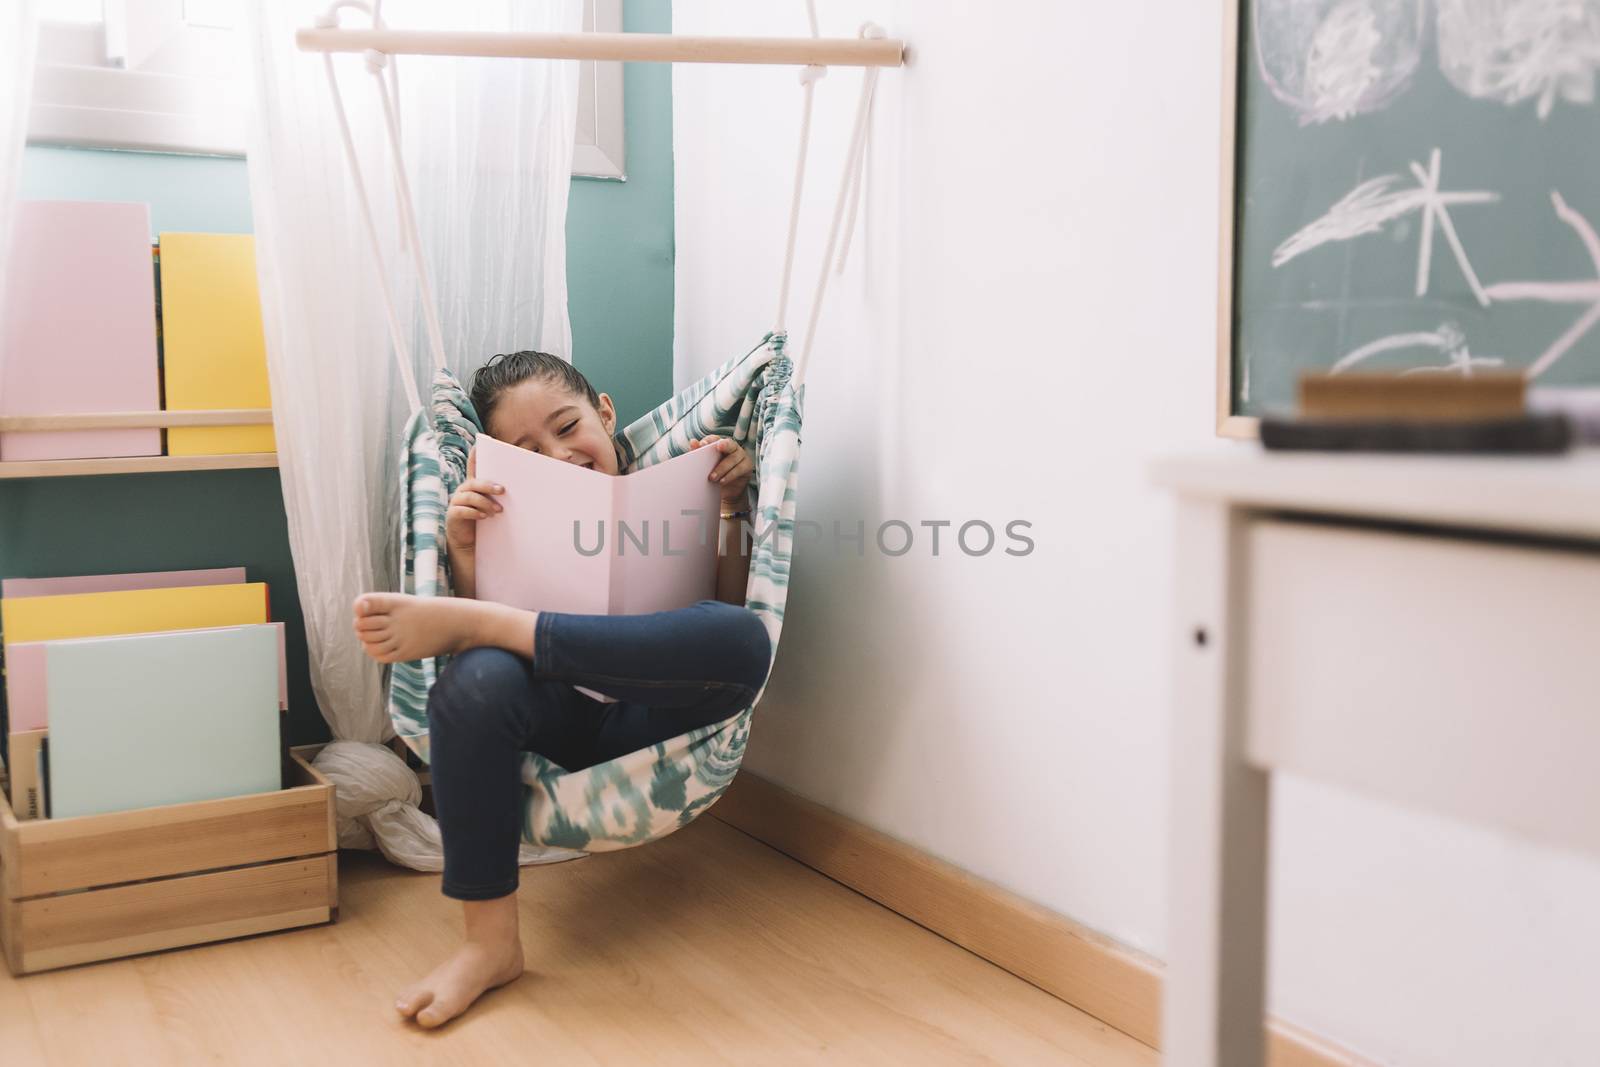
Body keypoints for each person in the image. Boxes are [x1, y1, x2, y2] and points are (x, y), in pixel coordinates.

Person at [351, 350, 774, 1028]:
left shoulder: (681, 482)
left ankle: (491, 624)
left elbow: (727, 616)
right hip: (555, 717)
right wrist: (464, 549)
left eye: (567, 425)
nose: (559, 453)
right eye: (528, 450)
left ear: (605, 413)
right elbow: (488, 685)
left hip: (656, 718)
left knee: (743, 637)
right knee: (471, 681)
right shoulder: (500, 509)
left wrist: (730, 507)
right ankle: (489, 944)